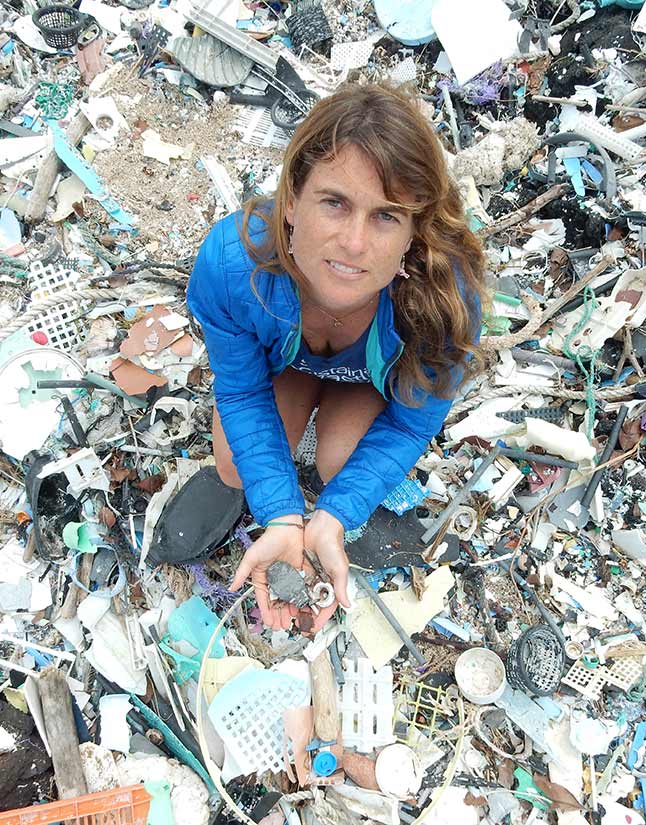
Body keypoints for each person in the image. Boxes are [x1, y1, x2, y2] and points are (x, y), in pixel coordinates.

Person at [186, 83, 486, 632]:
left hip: (365, 379)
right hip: (288, 364)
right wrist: (279, 513)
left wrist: (333, 516)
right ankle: (295, 437)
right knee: (233, 467)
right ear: (292, 200)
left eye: (386, 216)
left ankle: (320, 439)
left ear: (414, 233)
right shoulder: (232, 266)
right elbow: (241, 389)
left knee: (340, 465)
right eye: (335, 203)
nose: (353, 243)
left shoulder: (446, 300)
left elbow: (410, 423)